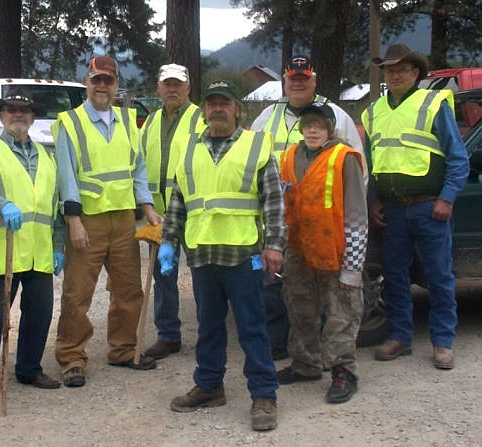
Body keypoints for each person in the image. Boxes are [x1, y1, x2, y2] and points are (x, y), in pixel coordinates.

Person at [159, 80, 285, 431]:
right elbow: (177, 200)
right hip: (202, 254)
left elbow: (274, 201)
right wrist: (168, 241)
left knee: (252, 326)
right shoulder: (188, 149)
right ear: (204, 110)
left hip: (244, 254)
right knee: (209, 326)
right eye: (212, 104)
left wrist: (274, 245)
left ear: (236, 110)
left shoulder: (256, 145)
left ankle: (264, 395)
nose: (217, 109)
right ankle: (210, 385)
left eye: (224, 104)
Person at [52, 54, 161, 388]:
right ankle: (71, 356)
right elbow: (66, 175)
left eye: (108, 80)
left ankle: (124, 349)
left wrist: (148, 207)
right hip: (89, 220)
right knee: (77, 293)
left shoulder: (129, 121)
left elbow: (137, 169)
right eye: (96, 80)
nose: (102, 86)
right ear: (87, 82)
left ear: (116, 85)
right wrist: (73, 220)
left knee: (129, 290)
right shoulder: (69, 122)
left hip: (124, 220)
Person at [250, 55, 365, 360]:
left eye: (304, 79)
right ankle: (289, 351)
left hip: (329, 231)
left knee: (334, 301)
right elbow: (250, 166)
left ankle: (337, 363)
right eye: (293, 79)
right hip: (284, 225)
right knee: (284, 292)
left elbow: (357, 176)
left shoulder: (338, 116)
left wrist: (352, 236)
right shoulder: (265, 119)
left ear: (314, 81)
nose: (298, 83)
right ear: (285, 82)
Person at [363, 44, 469, 370]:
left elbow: (458, 159)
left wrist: (447, 198)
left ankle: (442, 342)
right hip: (392, 211)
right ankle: (400, 337)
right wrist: (373, 201)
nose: (395, 74)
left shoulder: (433, 104)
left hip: (429, 208)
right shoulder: (373, 112)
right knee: (395, 277)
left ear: (415, 74)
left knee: (438, 277)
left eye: (402, 69)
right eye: (389, 70)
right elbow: (372, 162)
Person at [0, 88, 64, 404]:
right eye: (10, 110)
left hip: (39, 252)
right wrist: (1, 205)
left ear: (32, 117)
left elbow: (55, 207)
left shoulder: (47, 158)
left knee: (39, 314)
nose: (17, 115)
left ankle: (29, 368)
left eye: (23, 111)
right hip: (2, 252)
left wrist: (58, 245)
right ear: (1, 115)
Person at [275, 103, 367, 404]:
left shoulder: (344, 159)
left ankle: (343, 371)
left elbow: (356, 214)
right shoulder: (288, 157)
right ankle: (305, 364)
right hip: (299, 249)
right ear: (301, 129)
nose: (313, 130)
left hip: (335, 250)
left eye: (319, 125)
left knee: (341, 312)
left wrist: (353, 267)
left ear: (330, 129)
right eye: (308, 124)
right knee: (300, 307)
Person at [140, 64, 206, 361]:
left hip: (193, 213)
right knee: (162, 277)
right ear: (158, 88)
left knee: (203, 277)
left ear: (188, 88)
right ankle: (168, 336)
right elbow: (140, 165)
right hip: (159, 215)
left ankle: (209, 335)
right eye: (167, 84)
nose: (172, 89)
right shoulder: (151, 122)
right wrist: (147, 208)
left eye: (178, 84)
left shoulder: (200, 119)